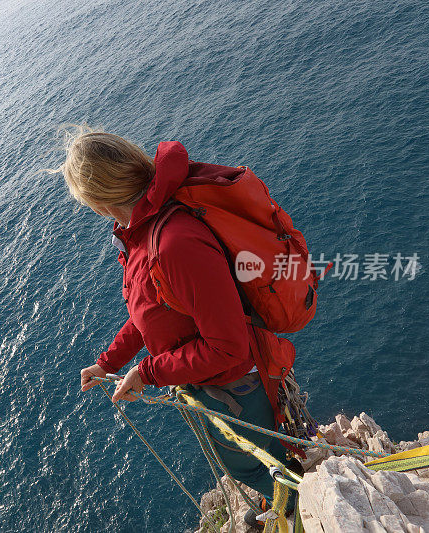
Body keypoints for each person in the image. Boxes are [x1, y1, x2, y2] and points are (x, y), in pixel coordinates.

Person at [56, 125, 299, 527]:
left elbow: (228, 348)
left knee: (254, 466)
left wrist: (147, 371)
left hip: (236, 385)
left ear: (99, 203)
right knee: (254, 460)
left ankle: (302, 508)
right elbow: (151, 311)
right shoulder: (142, 237)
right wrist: (109, 361)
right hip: (215, 381)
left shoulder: (172, 243)